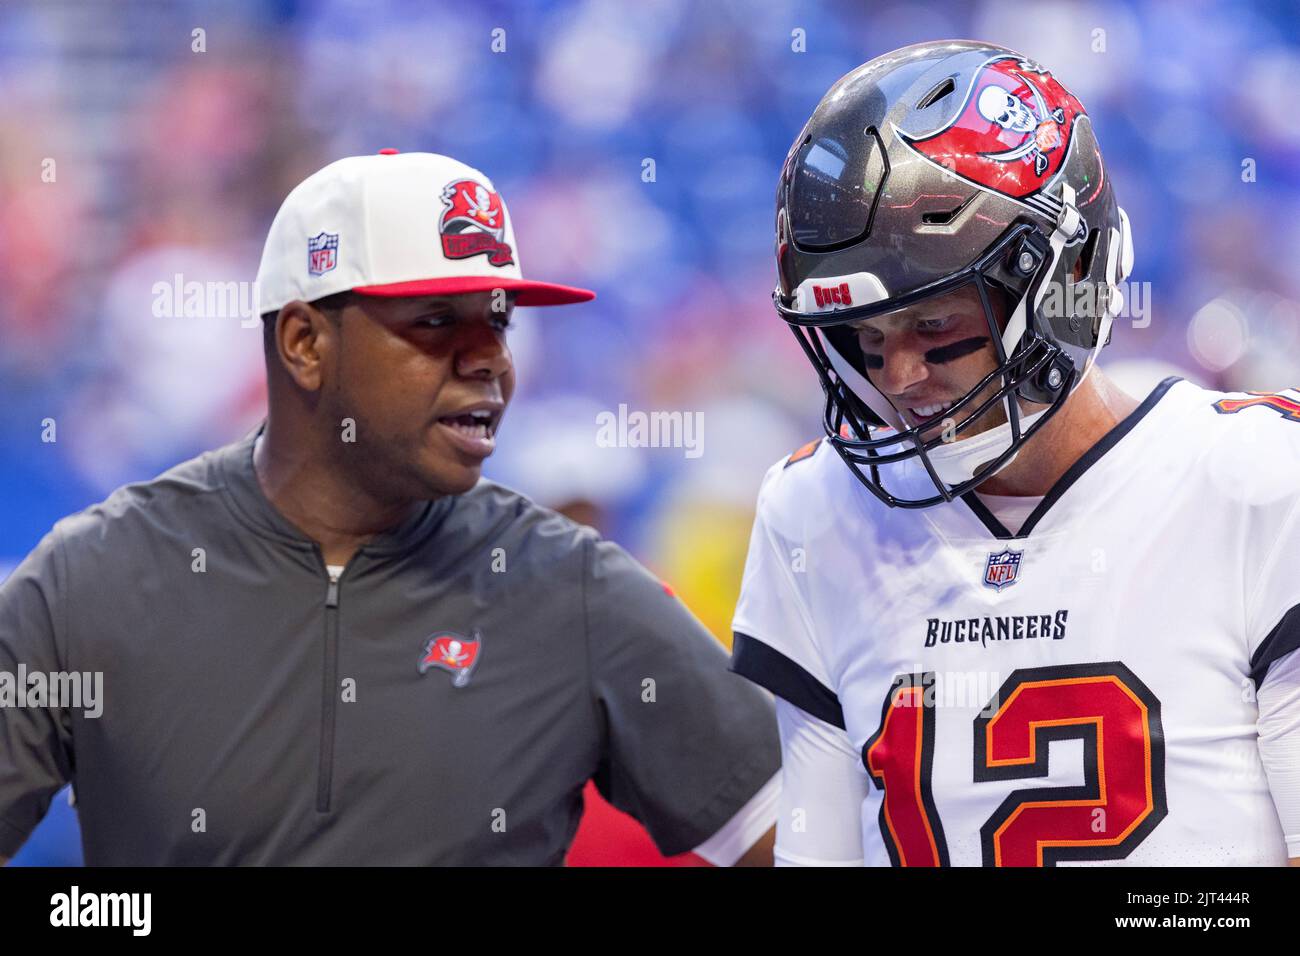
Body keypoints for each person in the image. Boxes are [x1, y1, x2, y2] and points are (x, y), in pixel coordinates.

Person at [0, 149, 779, 865]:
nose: (492, 358)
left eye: (498, 317)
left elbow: (796, 840)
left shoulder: (577, 589)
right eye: (438, 320)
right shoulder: (93, 578)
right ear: (305, 343)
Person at [730, 41, 1300, 866]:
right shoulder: (812, 514)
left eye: (935, 328)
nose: (899, 377)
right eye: (864, 339)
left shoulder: (1258, 479)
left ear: (1066, 275)